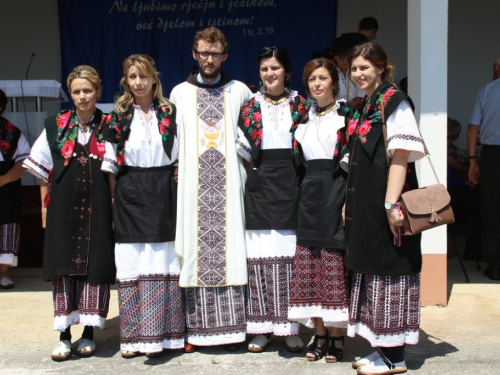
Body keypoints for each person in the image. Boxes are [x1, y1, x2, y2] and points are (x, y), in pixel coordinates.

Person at [343, 42, 425, 375]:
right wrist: (349, 202)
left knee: (390, 270)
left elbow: (401, 156)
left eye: (364, 67)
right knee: (372, 269)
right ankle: (381, 347)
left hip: (387, 203)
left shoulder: (395, 102)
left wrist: (392, 204)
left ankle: (395, 356)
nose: (358, 73)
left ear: (381, 66)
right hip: (366, 204)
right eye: (354, 68)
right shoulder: (365, 105)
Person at [23, 66, 115, 361]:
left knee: (95, 267)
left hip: (99, 208)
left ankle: (88, 334)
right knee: (64, 268)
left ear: (98, 92)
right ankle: (64, 336)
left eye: (88, 91)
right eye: (76, 91)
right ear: (71, 94)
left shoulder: (110, 125)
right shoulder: (56, 125)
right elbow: (41, 171)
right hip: (63, 208)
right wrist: (43, 207)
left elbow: (118, 171)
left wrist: (114, 208)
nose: (82, 97)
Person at [170, 26, 252, 352]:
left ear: (225, 56)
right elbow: (173, 141)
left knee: (231, 251)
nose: (209, 59)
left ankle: (233, 332)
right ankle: (196, 332)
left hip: (231, 188)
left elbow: (250, 142)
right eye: (203, 52)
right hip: (193, 188)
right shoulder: (179, 93)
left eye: (215, 53)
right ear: (194, 54)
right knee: (194, 251)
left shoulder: (241, 92)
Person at [101, 54, 184, 358]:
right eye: (132, 76)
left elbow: (182, 153)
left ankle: (168, 336)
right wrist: (113, 202)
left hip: (164, 192)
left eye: (143, 76)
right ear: (126, 80)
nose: (138, 82)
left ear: (154, 79)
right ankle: (134, 337)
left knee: (164, 261)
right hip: (130, 192)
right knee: (132, 263)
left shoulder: (170, 113)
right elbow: (110, 166)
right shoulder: (117, 116)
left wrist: (178, 171)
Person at [236, 46, 309, 353]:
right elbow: (242, 155)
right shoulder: (250, 106)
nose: (270, 73)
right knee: (260, 260)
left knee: (289, 259)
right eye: (265, 68)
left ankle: (289, 329)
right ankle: (262, 329)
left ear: (285, 70)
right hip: (260, 185)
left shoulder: (301, 105)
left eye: (275, 68)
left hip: (291, 184)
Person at [287, 58, 349, 363]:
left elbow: (353, 164)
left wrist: (348, 200)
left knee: (333, 266)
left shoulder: (345, 116)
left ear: (334, 82)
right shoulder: (303, 120)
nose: (317, 84)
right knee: (312, 269)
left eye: (322, 77)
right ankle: (320, 335)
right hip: (309, 194)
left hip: (336, 189)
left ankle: (337, 338)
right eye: (312, 79)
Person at [468, 56, 500, 280]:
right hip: (491, 154)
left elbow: (472, 128)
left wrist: (472, 160)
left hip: (492, 156)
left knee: (491, 208)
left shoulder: (487, 90)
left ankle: (495, 264)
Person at [0, 89, 30, 289]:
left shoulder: (12, 132)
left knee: (7, 228)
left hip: (6, 186)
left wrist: (4, 179)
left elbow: (25, 161)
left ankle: (3, 274)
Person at [330, 36, 365, 107]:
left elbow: (361, 90)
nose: (345, 62)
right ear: (336, 57)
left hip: (354, 107)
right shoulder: (330, 71)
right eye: (342, 58)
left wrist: (351, 106)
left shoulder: (353, 70)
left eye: (348, 59)